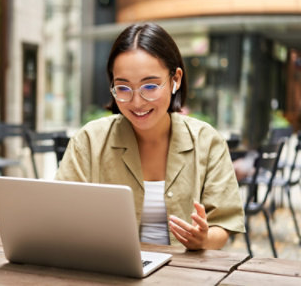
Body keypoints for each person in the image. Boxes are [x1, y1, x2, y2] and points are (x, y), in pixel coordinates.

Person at [55, 23, 245, 250]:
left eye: (150, 86)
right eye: (123, 88)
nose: (137, 102)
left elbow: (222, 225)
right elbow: (61, 217)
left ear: (175, 79)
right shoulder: (89, 141)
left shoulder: (207, 142)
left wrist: (203, 239)